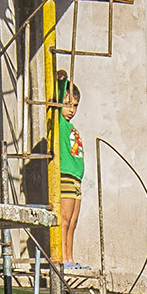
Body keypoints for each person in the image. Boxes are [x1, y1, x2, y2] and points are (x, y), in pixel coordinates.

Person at [55, 71, 86, 267]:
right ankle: (62, 258)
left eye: (75, 106)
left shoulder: (72, 127)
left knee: (73, 222)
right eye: (67, 105)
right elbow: (57, 96)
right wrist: (62, 81)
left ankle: (70, 257)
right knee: (64, 220)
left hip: (76, 178)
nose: (71, 110)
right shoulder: (59, 123)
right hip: (65, 176)